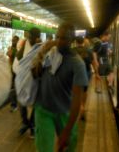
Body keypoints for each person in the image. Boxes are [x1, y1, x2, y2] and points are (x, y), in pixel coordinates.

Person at [32, 22, 88, 152]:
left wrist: (66, 131)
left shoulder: (77, 64)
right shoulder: (51, 54)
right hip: (43, 110)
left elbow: (76, 102)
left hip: (64, 112)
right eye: (57, 37)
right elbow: (35, 74)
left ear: (72, 40)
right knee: (44, 148)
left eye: (63, 38)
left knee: (70, 145)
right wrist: (42, 51)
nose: (59, 41)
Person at [13, 27, 41, 138]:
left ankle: (32, 125)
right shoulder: (25, 45)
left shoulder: (40, 47)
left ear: (38, 37)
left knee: (35, 102)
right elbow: (18, 59)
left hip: (35, 79)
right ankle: (26, 123)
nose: (30, 39)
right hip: (23, 78)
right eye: (29, 37)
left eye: (32, 37)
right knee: (21, 100)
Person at [73, 36, 93, 121]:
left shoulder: (72, 51)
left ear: (76, 42)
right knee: (84, 91)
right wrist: (97, 73)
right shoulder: (88, 51)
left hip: (75, 74)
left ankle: (77, 108)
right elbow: (93, 62)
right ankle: (83, 106)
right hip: (86, 73)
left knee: (75, 91)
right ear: (83, 42)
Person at [6, 35, 19, 112]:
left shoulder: (17, 49)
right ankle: (14, 104)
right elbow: (8, 53)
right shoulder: (13, 48)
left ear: (17, 41)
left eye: (14, 40)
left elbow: (9, 54)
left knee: (13, 88)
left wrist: (10, 50)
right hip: (12, 70)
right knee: (13, 88)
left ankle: (14, 105)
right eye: (12, 40)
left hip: (16, 71)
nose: (13, 41)